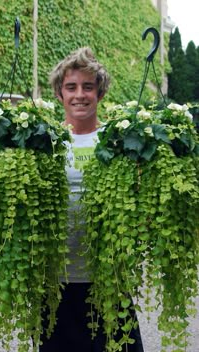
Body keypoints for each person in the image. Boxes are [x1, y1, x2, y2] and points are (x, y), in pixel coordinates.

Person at [39, 47, 144, 352]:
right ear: (60, 94)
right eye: (71, 87)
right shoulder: (43, 141)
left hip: (107, 280)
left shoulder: (118, 140)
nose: (80, 95)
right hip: (56, 281)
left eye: (88, 87)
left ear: (100, 92)